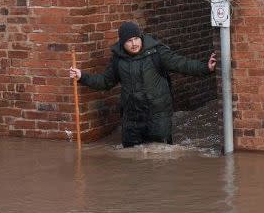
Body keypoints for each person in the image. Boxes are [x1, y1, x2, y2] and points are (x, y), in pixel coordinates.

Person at [69, 21, 216, 148]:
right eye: (129, 41)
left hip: (158, 115)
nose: (134, 44)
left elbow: (182, 64)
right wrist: (82, 76)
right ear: (122, 42)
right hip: (132, 118)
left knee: (160, 155)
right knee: (132, 157)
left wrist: (206, 67)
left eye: (136, 39)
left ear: (141, 37)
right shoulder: (118, 59)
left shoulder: (157, 52)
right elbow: (106, 82)